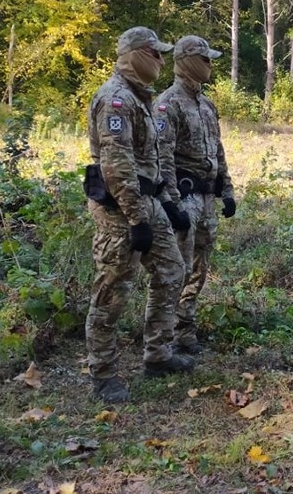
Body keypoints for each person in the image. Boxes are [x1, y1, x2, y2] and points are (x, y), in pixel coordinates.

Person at [84, 26, 195, 404]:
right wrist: (136, 219)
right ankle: (103, 373)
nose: (162, 61)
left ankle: (158, 354)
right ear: (134, 54)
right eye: (155, 53)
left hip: (148, 204)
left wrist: (167, 203)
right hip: (120, 210)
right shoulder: (115, 100)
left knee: (172, 270)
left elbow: (154, 159)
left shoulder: (141, 99)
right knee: (112, 289)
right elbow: (117, 166)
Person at [155, 34, 236, 358]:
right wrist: (172, 205)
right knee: (179, 269)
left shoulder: (206, 104)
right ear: (188, 61)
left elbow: (217, 149)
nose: (210, 66)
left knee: (200, 269)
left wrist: (226, 190)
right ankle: (165, 339)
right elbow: (162, 156)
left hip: (206, 200)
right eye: (205, 59)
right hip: (184, 199)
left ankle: (186, 332)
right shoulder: (167, 104)